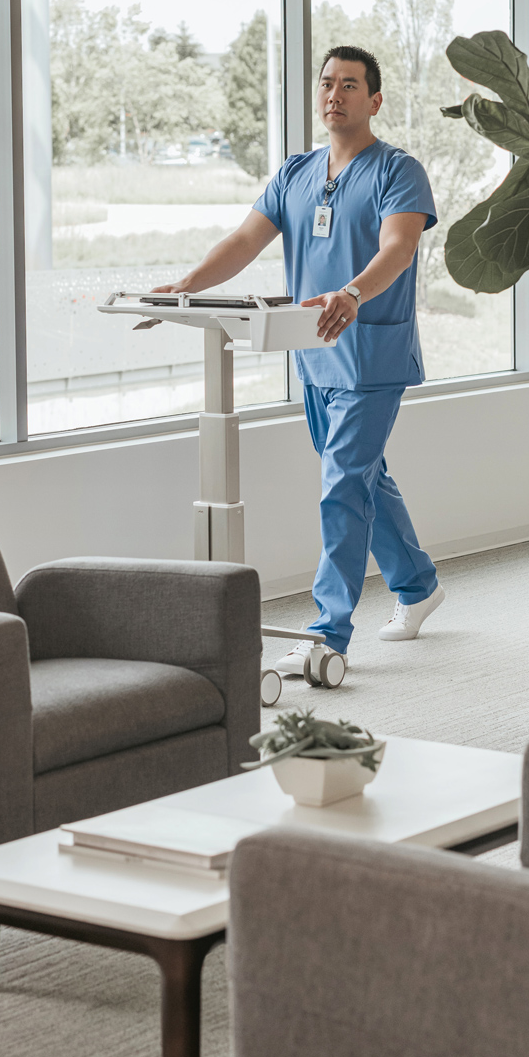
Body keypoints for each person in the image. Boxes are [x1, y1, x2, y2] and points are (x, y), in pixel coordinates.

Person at [156, 45, 444, 674]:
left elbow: (398, 248)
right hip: (315, 360)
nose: (334, 94)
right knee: (364, 479)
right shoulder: (295, 173)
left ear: (374, 100)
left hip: (372, 357)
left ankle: (327, 634)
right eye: (326, 84)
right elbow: (242, 241)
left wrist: (352, 292)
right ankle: (419, 587)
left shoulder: (399, 170)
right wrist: (184, 289)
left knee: (342, 485)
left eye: (349, 84)